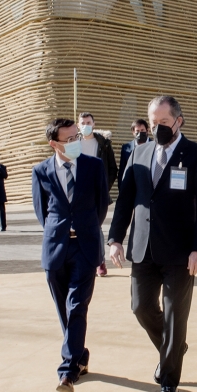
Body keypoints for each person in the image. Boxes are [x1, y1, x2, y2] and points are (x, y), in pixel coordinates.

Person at [108, 95, 197, 392]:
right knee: (141, 307)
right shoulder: (137, 152)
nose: (157, 128)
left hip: (181, 252)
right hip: (143, 248)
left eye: (163, 123)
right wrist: (115, 238)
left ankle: (169, 383)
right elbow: (126, 199)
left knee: (174, 314)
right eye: (153, 123)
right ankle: (174, 348)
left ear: (179, 121)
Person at [32, 119, 110, 392]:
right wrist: (60, 232)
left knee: (76, 305)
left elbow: (101, 205)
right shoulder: (40, 171)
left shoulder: (94, 166)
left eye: (76, 135)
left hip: (86, 247)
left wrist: (85, 228)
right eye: (68, 138)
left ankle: (67, 371)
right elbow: (42, 212)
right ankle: (81, 354)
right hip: (55, 248)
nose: (76, 141)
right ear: (54, 143)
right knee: (64, 309)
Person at [77, 112, 117, 277]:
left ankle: (99, 261)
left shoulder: (103, 144)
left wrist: (103, 188)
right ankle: (83, 261)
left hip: (96, 192)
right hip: (77, 192)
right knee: (79, 227)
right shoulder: (73, 142)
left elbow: (112, 169)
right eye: (83, 122)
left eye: (88, 122)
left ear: (94, 124)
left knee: (96, 227)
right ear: (78, 125)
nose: (86, 125)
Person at [118, 119, 149, 191]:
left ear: (147, 131)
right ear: (133, 132)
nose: (140, 133)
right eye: (137, 131)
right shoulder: (126, 148)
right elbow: (122, 170)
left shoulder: (155, 146)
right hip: (132, 188)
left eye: (142, 130)